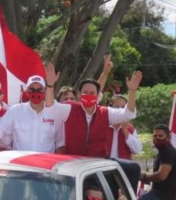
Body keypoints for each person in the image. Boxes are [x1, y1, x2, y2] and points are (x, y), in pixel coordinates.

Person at [45, 62, 142, 190]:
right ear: (79, 94)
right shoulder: (70, 108)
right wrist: (50, 85)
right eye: (85, 92)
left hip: (96, 168)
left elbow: (128, 114)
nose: (89, 95)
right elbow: (50, 107)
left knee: (95, 199)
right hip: (72, 166)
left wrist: (132, 91)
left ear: (97, 96)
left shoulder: (106, 112)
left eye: (92, 93)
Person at [0, 74, 65, 153]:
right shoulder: (16, 111)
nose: (36, 93)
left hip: (45, 168)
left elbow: (60, 144)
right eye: (32, 89)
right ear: (27, 92)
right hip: (21, 167)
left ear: (45, 91)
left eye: (40, 89)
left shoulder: (54, 112)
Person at [138, 124, 176, 200]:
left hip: (164, 197)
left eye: (160, 136)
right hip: (160, 195)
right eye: (155, 136)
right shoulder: (162, 152)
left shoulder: (168, 152)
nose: (157, 138)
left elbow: (161, 175)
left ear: (168, 137)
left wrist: (144, 176)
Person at [108, 94, 142, 160]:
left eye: (123, 107)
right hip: (104, 166)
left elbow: (137, 150)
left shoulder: (130, 128)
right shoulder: (103, 125)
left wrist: (125, 130)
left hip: (123, 167)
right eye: (117, 107)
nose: (120, 110)